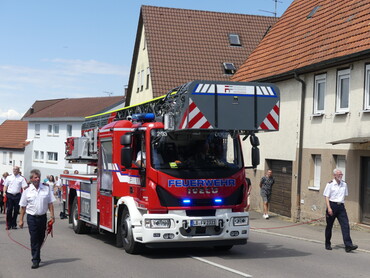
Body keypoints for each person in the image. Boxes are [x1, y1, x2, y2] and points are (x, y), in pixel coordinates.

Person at [19, 169, 56, 269]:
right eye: (35, 177)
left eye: (39, 177)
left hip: (42, 217)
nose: (38, 179)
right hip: (31, 218)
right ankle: (35, 260)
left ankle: (36, 252)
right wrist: (21, 219)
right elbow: (23, 206)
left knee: (41, 238)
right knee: (34, 238)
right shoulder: (26, 190)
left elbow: (50, 203)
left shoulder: (46, 188)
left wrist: (52, 216)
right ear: (31, 179)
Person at [323, 169, 358, 252]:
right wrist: (329, 208)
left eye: (341, 174)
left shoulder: (344, 184)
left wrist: (340, 203)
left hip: (341, 207)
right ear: (334, 175)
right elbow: (326, 196)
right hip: (332, 205)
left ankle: (348, 245)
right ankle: (327, 243)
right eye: (338, 174)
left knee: (345, 225)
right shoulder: (330, 184)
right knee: (329, 226)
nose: (340, 175)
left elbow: (345, 195)